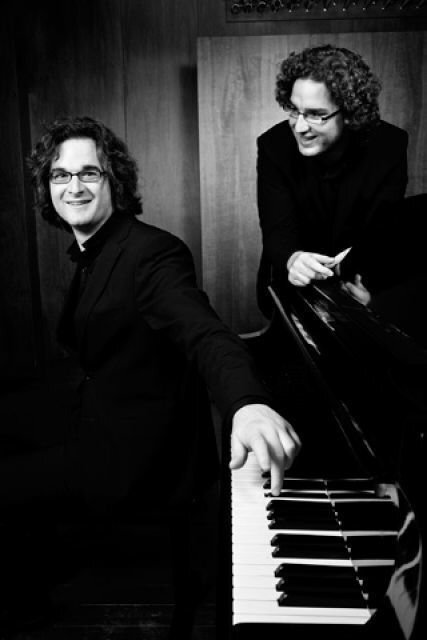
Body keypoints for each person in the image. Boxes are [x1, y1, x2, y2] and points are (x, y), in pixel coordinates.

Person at [0, 116, 300, 632]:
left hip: (137, 454)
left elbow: (206, 333)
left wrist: (248, 404)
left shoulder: (151, 253)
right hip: (102, 417)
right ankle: (41, 580)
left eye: (89, 173)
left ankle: (28, 612)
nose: (74, 187)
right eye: (60, 175)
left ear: (114, 180)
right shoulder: (94, 251)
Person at [256, 43, 408, 316]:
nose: (300, 126)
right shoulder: (273, 145)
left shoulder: (390, 145)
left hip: (361, 282)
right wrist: (293, 259)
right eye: (294, 109)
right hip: (291, 289)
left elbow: (383, 232)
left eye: (316, 114)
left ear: (350, 113)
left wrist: (370, 292)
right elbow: (277, 229)